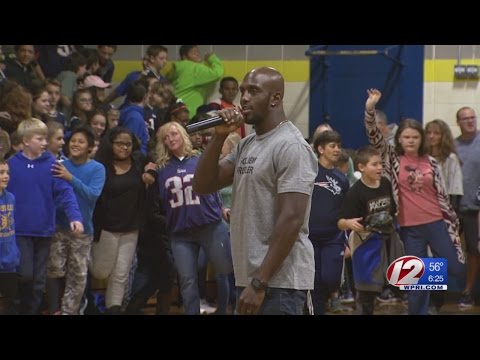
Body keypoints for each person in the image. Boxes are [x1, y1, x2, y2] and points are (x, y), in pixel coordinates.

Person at [193, 67, 318, 315]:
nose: (245, 98)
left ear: (275, 98)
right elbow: (203, 185)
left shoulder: (291, 146)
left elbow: (291, 219)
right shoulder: (248, 144)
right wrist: (219, 137)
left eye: (253, 91)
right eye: (243, 91)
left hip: (278, 283)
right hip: (251, 278)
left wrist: (260, 282)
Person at [364, 89, 465, 315]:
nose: (410, 140)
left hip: (437, 222)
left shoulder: (431, 161)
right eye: (406, 137)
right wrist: (370, 108)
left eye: (415, 137)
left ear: (422, 138)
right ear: (399, 139)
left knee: (457, 268)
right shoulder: (392, 158)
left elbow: (443, 193)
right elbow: (373, 135)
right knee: (417, 282)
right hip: (410, 227)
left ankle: (428, 282)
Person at [337, 146, 401, 315]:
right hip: (366, 243)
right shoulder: (355, 192)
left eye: (381, 164)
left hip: (388, 238)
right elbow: (341, 222)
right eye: (374, 164)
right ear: (362, 167)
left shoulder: (386, 183)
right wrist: (348, 223)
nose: (380, 167)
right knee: (366, 293)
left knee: (406, 281)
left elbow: (392, 210)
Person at [454, 106, 480, 307]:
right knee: (436, 249)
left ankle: (467, 292)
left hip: (475, 209)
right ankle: (429, 294)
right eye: (465, 118)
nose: (470, 121)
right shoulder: (452, 146)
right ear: (458, 122)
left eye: (473, 117)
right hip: (452, 208)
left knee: (474, 251)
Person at [0, 160, 19, 315]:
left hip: (9, 263)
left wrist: (15, 254)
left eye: (7, 173)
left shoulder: (11, 198)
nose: (5, 176)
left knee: (10, 304)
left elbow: (11, 229)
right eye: (1, 173)